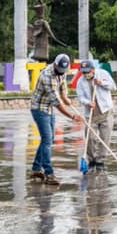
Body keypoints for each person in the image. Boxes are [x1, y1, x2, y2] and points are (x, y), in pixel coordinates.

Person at [30, 54, 85, 185]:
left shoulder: (62, 71)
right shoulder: (47, 76)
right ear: (55, 64)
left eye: (63, 70)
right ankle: (49, 174)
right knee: (47, 139)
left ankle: (36, 169)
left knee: (47, 139)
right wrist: (72, 116)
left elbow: (62, 86)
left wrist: (65, 96)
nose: (60, 72)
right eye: (59, 69)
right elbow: (56, 102)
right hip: (39, 108)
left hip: (49, 108)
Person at [75, 59, 117, 172]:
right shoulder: (80, 81)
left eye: (87, 71)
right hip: (91, 114)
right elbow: (80, 96)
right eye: (83, 72)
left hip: (105, 112)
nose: (85, 74)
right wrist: (87, 103)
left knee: (105, 137)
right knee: (90, 138)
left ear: (93, 70)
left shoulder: (103, 74)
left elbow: (113, 86)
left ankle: (100, 161)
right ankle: (92, 160)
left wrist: (101, 83)